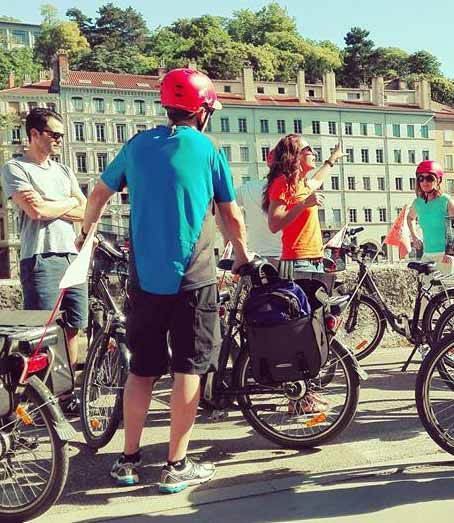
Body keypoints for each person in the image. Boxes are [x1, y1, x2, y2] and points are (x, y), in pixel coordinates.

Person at [79, 68, 249, 493]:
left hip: (144, 279)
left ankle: (128, 459)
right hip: (193, 278)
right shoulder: (208, 149)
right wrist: (244, 257)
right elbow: (230, 214)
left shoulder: (137, 145)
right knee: (187, 368)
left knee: (142, 369)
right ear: (204, 110)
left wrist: (87, 231)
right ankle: (176, 465)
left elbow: (98, 193)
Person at [0, 107, 87, 416]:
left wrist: (53, 205)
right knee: (42, 334)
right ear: (34, 134)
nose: (60, 141)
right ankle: (37, 401)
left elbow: (86, 209)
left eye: (62, 135)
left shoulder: (63, 171)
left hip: (72, 256)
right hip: (40, 256)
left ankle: (66, 394)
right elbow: (35, 213)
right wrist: (67, 204)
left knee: (72, 328)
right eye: (54, 135)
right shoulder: (15, 168)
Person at [264, 135, 343, 275]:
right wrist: (305, 203)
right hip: (298, 263)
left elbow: (318, 180)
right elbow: (274, 224)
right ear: (295, 155)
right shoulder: (282, 183)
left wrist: (332, 159)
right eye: (309, 149)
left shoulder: (302, 183)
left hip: (315, 261)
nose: (314, 153)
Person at [407, 160, 454, 274]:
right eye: (421, 178)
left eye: (429, 178)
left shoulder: (445, 200)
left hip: (446, 255)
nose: (424, 182)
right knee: (426, 289)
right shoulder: (418, 203)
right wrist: (414, 236)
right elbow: (410, 218)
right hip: (427, 254)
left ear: (438, 180)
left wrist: (451, 251)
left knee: (445, 290)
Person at [236, 175, 281, 265]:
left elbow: (222, 204)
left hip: (256, 258)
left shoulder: (247, 188)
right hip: (287, 258)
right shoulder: (295, 187)